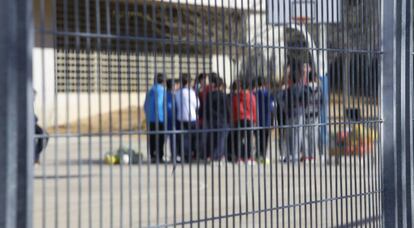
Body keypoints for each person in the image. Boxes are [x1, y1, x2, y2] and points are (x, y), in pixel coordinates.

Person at [281, 61, 307, 163]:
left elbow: (282, 100)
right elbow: (306, 100)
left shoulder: (288, 90)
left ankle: (290, 155)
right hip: (299, 113)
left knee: (289, 135)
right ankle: (295, 155)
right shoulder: (302, 89)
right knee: (298, 135)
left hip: (289, 113)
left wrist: (285, 109)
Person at [175, 74, 200, 162]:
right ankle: (191, 154)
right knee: (192, 137)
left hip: (181, 117)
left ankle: (184, 154)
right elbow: (197, 104)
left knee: (183, 137)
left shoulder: (177, 93)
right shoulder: (192, 92)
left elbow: (176, 104)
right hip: (191, 117)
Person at [232, 79, 257, 165]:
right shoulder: (252, 96)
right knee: (249, 139)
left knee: (239, 139)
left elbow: (235, 108)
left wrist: (234, 119)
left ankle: (239, 158)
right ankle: (249, 157)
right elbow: (254, 108)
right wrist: (255, 119)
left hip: (239, 118)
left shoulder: (237, 96)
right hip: (249, 119)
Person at [204, 77, 229, 163]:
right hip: (222, 120)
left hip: (212, 120)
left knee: (213, 139)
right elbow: (227, 109)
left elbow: (206, 108)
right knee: (221, 140)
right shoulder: (223, 95)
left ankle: (213, 156)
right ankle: (216, 157)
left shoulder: (209, 95)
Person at [144, 73, 166, 163]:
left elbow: (145, 105)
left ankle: (153, 156)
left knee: (152, 138)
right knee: (160, 138)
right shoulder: (163, 90)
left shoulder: (150, 91)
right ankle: (159, 156)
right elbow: (161, 104)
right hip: (160, 118)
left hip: (150, 119)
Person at [302, 71, 323, 161]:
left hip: (305, 113)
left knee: (305, 135)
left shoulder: (305, 88)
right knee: (314, 135)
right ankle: (313, 155)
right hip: (315, 113)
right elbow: (321, 101)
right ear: (315, 78)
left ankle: (306, 155)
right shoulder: (319, 89)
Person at [254, 76, 274, 165]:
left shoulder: (254, 94)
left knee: (258, 138)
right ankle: (263, 155)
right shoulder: (269, 94)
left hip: (257, 119)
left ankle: (258, 155)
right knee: (265, 139)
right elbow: (272, 107)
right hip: (267, 119)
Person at [166, 78, 178, 162]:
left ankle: (172, 155)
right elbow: (171, 108)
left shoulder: (166, 94)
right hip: (172, 119)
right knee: (173, 138)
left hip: (167, 119)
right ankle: (173, 155)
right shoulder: (172, 95)